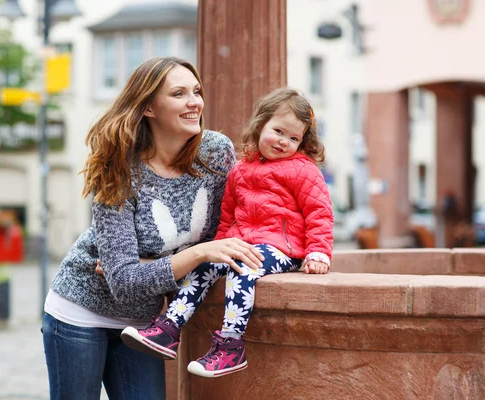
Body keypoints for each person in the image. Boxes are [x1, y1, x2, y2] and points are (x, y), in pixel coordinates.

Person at [41, 56, 264, 400]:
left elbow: (231, 230)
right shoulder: (119, 167)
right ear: (148, 107)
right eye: (179, 94)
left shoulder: (215, 153)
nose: (195, 102)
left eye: (196, 91)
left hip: (144, 324)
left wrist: (149, 267)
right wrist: (197, 253)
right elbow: (125, 285)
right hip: (80, 308)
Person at [121, 87, 334, 378]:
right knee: (204, 264)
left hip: (282, 249)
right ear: (260, 125)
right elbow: (228, 216)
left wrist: (318, 252)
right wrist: (218, 247)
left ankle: (231, 346)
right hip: (242, 242)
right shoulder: (240, 170)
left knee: (243, 267)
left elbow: (319, 213)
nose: (284, 142)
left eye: (294, 138)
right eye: (279, 131)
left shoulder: (303, 171)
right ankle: (168, 329)